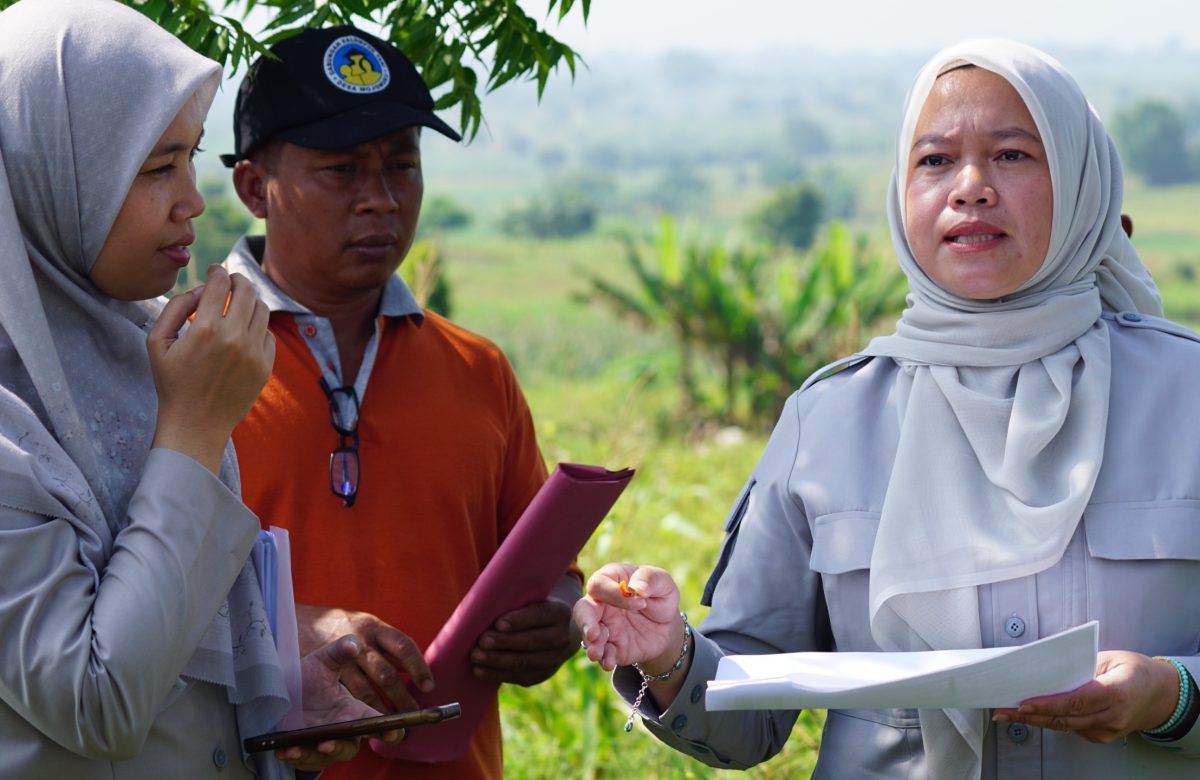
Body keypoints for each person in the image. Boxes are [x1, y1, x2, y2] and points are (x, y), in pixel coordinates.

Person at [574, 38, 1200, 779]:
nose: (970, 187)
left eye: (1013, 155)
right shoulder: (830, 418)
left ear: (1082, 182)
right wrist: (667, 654)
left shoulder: (1185, 394)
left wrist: (1174, 695)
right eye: (934, 160)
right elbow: (751, 712)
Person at [0, 1, 394, 777]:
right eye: (155, 168)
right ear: (47, 175)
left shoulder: (136, 353)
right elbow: (97, 704)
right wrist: (191, 432)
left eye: (190, 159)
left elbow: (178, 653)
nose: (193, 200)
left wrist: (276, 704)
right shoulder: (19, 421)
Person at [221, 25, 582, 780]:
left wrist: (556, 620)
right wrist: (285, 632)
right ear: (255, 188)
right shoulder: (183, 359)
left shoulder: (477, 369)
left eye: (401, 167)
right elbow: (115, 617)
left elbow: (546, 570)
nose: (380, 201)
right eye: (342, 170)